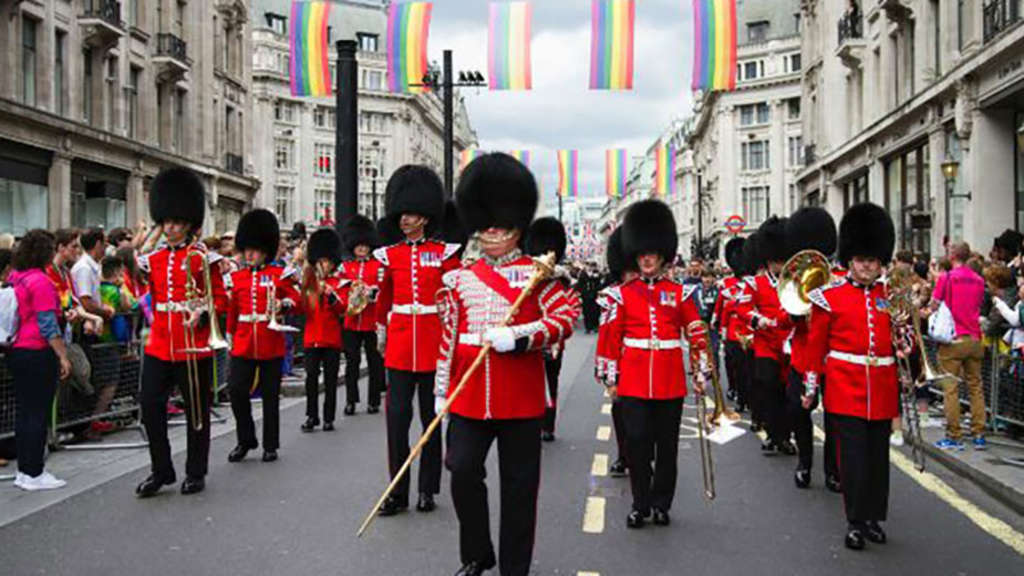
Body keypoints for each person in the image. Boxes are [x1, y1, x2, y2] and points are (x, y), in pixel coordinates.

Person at [435, 153, 577, 576]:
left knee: (519, 489)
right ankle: (478, 553)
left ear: (517, 226)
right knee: (461, 471)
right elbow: (448, 337)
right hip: (469, 394)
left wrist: (519, 336)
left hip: (520, 395)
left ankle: (515, 566)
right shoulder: (458, 278)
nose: (494, 232)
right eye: (488, 223)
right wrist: (442, 389)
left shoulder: (539, 274)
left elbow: (563, 320)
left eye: (502, 224)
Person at [598, 200, 710, 529]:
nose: (647, 259)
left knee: (667, 449)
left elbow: (696, 333)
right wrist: (610, 377)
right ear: (636, 255)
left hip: (669, 381)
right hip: (632, 380)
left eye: (653, 253)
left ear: (662, 256)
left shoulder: (679, 294)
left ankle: (662, 503)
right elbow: (609, 338)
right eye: (642, 253)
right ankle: (640, 503)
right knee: (636, 444)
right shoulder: (622, 294)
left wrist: (701, 371)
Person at [804, 202, 899, 551]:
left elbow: (899, 342)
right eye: (861, 261)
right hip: (845, 388)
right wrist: (811, 387)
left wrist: (906, 350)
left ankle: (875, 517)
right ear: (850, 261)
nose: (867, 267)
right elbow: (816, 348)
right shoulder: (830, 298)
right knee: (854, 461)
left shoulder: (889, 298)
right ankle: (856, 521)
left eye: (873, 261)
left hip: (883, 389)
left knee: (878, 460)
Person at [135, 167, 228, 498]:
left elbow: (221, 298)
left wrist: (202, 312)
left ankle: (195, 470)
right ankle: (161, 470)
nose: (170, 228)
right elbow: (156, 300)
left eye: (176, 222)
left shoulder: (205, 258)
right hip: (161, 342)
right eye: (167, 222)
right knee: (149, 405)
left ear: (188, 223)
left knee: (197, 412)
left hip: (193, 344)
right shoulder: (155, 260)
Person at [374, 165, 462, 516]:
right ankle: (397, 491)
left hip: (431, 345)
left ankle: (427, 489)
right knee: (396, 420)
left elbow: (454, 297)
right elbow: (384, 300)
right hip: (398, 348)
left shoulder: (444, 253)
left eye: (410, 214)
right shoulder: (389, 255)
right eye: (402, 214)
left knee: (430, 421)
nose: (404, 220)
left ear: (424, 217)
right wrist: (381, 330)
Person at [224, 209, 299, 463]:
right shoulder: (236, 278)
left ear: (265, 250)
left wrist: (284, 304)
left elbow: (296, 300)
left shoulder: (280, 275)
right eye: (247, 250)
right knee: (236, 391)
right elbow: (233, 310)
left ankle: (270, 444)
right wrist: (230, 335)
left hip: (270, 341)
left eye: (254, 250)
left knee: (270, 396)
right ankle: (245, 439)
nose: (249, 255)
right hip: (244, 342)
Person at [7, 230, 73, 491]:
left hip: (18, 348)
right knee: (38, 412)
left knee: (25, 412)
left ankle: (25, 470)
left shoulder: (16, 278)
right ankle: (34, 471)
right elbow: (47, 324)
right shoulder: (41, 282)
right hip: (37, 350)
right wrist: (62, 355)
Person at [782, 207, 837, 489]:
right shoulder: (796, 277)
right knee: (797, 409)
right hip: (802, 356)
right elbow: (784, 316)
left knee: (836, 418)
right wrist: (794, 314)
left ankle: (833, 469)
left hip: (834, 359)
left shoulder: (838, 278)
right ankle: (805, 460)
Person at [740, 216, 796, 455]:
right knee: (769, 388)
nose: (779, 265)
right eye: (776, 260)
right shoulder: (756, 283)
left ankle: (784, 435)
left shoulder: (795, 282)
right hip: (765, 344)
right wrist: (758, 319)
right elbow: (742, 308)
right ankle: (774, 434)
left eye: (782, 260)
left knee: (788, 394)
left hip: (790, 343)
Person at [930, 241, 987, 450]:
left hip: (953, 339)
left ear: (953, 256)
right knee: (976, 387)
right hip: (974, 338)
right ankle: (979, 434)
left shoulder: (946, 278)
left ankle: (954, 436)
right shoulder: (980, 280)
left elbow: (934, 304)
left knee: (951, 389)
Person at [525, 216, 573, 442]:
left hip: (553, 340)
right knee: (530, 383)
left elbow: (566, 310)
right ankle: (532, 421)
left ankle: (548, 424)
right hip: (530, 338)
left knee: (551, 383)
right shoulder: (526, 274)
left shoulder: (560, 279)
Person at [596, 227, 637, 477]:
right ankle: (625, 454)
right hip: (620, 364)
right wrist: (607, 374)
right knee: (620, 412)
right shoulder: (613, 296)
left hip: (643, 364)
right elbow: (606, 335)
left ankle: (642, 455)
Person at [300, 228, 349, 432]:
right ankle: (312, 416)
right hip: (312, 339)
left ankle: (328, 417)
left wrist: (329, 294)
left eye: (326, 262)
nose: (323, 266)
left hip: (331, 339)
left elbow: (343, 309)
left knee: (330, 380)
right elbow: (303, 309)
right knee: (311, 378)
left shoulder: (340, 283)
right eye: (320, 262)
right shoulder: (308, 284)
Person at [340, 214, 385, 415]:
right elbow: (340, 291)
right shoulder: (346, 267)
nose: (362, 248)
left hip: (371, 321)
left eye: (365, 246)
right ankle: (351, 400)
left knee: (375, 362)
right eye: (358, 245)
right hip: (351, 321)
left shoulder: (378, 266)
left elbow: (384, 289)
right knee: (352, 363)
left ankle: (373, 400)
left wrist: (373, 292)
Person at [714, 237, 752, 413]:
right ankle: (734, 388)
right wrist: (721, 328)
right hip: (731, 331)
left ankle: (746, 396)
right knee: (733, 365)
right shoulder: (726, 284)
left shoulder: (752, 284)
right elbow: (721, 306)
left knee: (748, 370)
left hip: (749, 331)